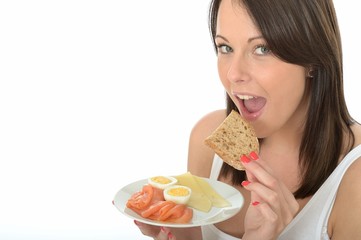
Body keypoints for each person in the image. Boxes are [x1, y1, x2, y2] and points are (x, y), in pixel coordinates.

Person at [133, 0, 361, 239]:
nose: (233, 74)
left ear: (312, 59)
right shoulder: (207, 139)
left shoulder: (354, 179)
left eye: (262, 48)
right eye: (225, 47)